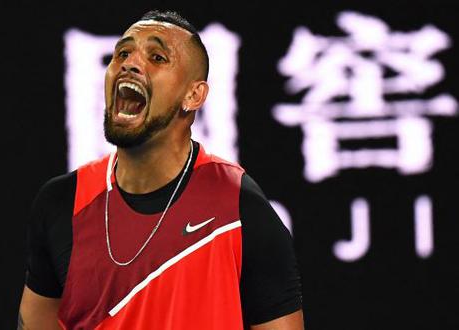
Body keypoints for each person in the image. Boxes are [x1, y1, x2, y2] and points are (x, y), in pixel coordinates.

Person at [19, 10, 303, 330]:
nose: (130, 63)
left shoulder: (240, 208)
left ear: (193, 95)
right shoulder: (61, 203)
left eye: (156, 57)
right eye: (123, 53)